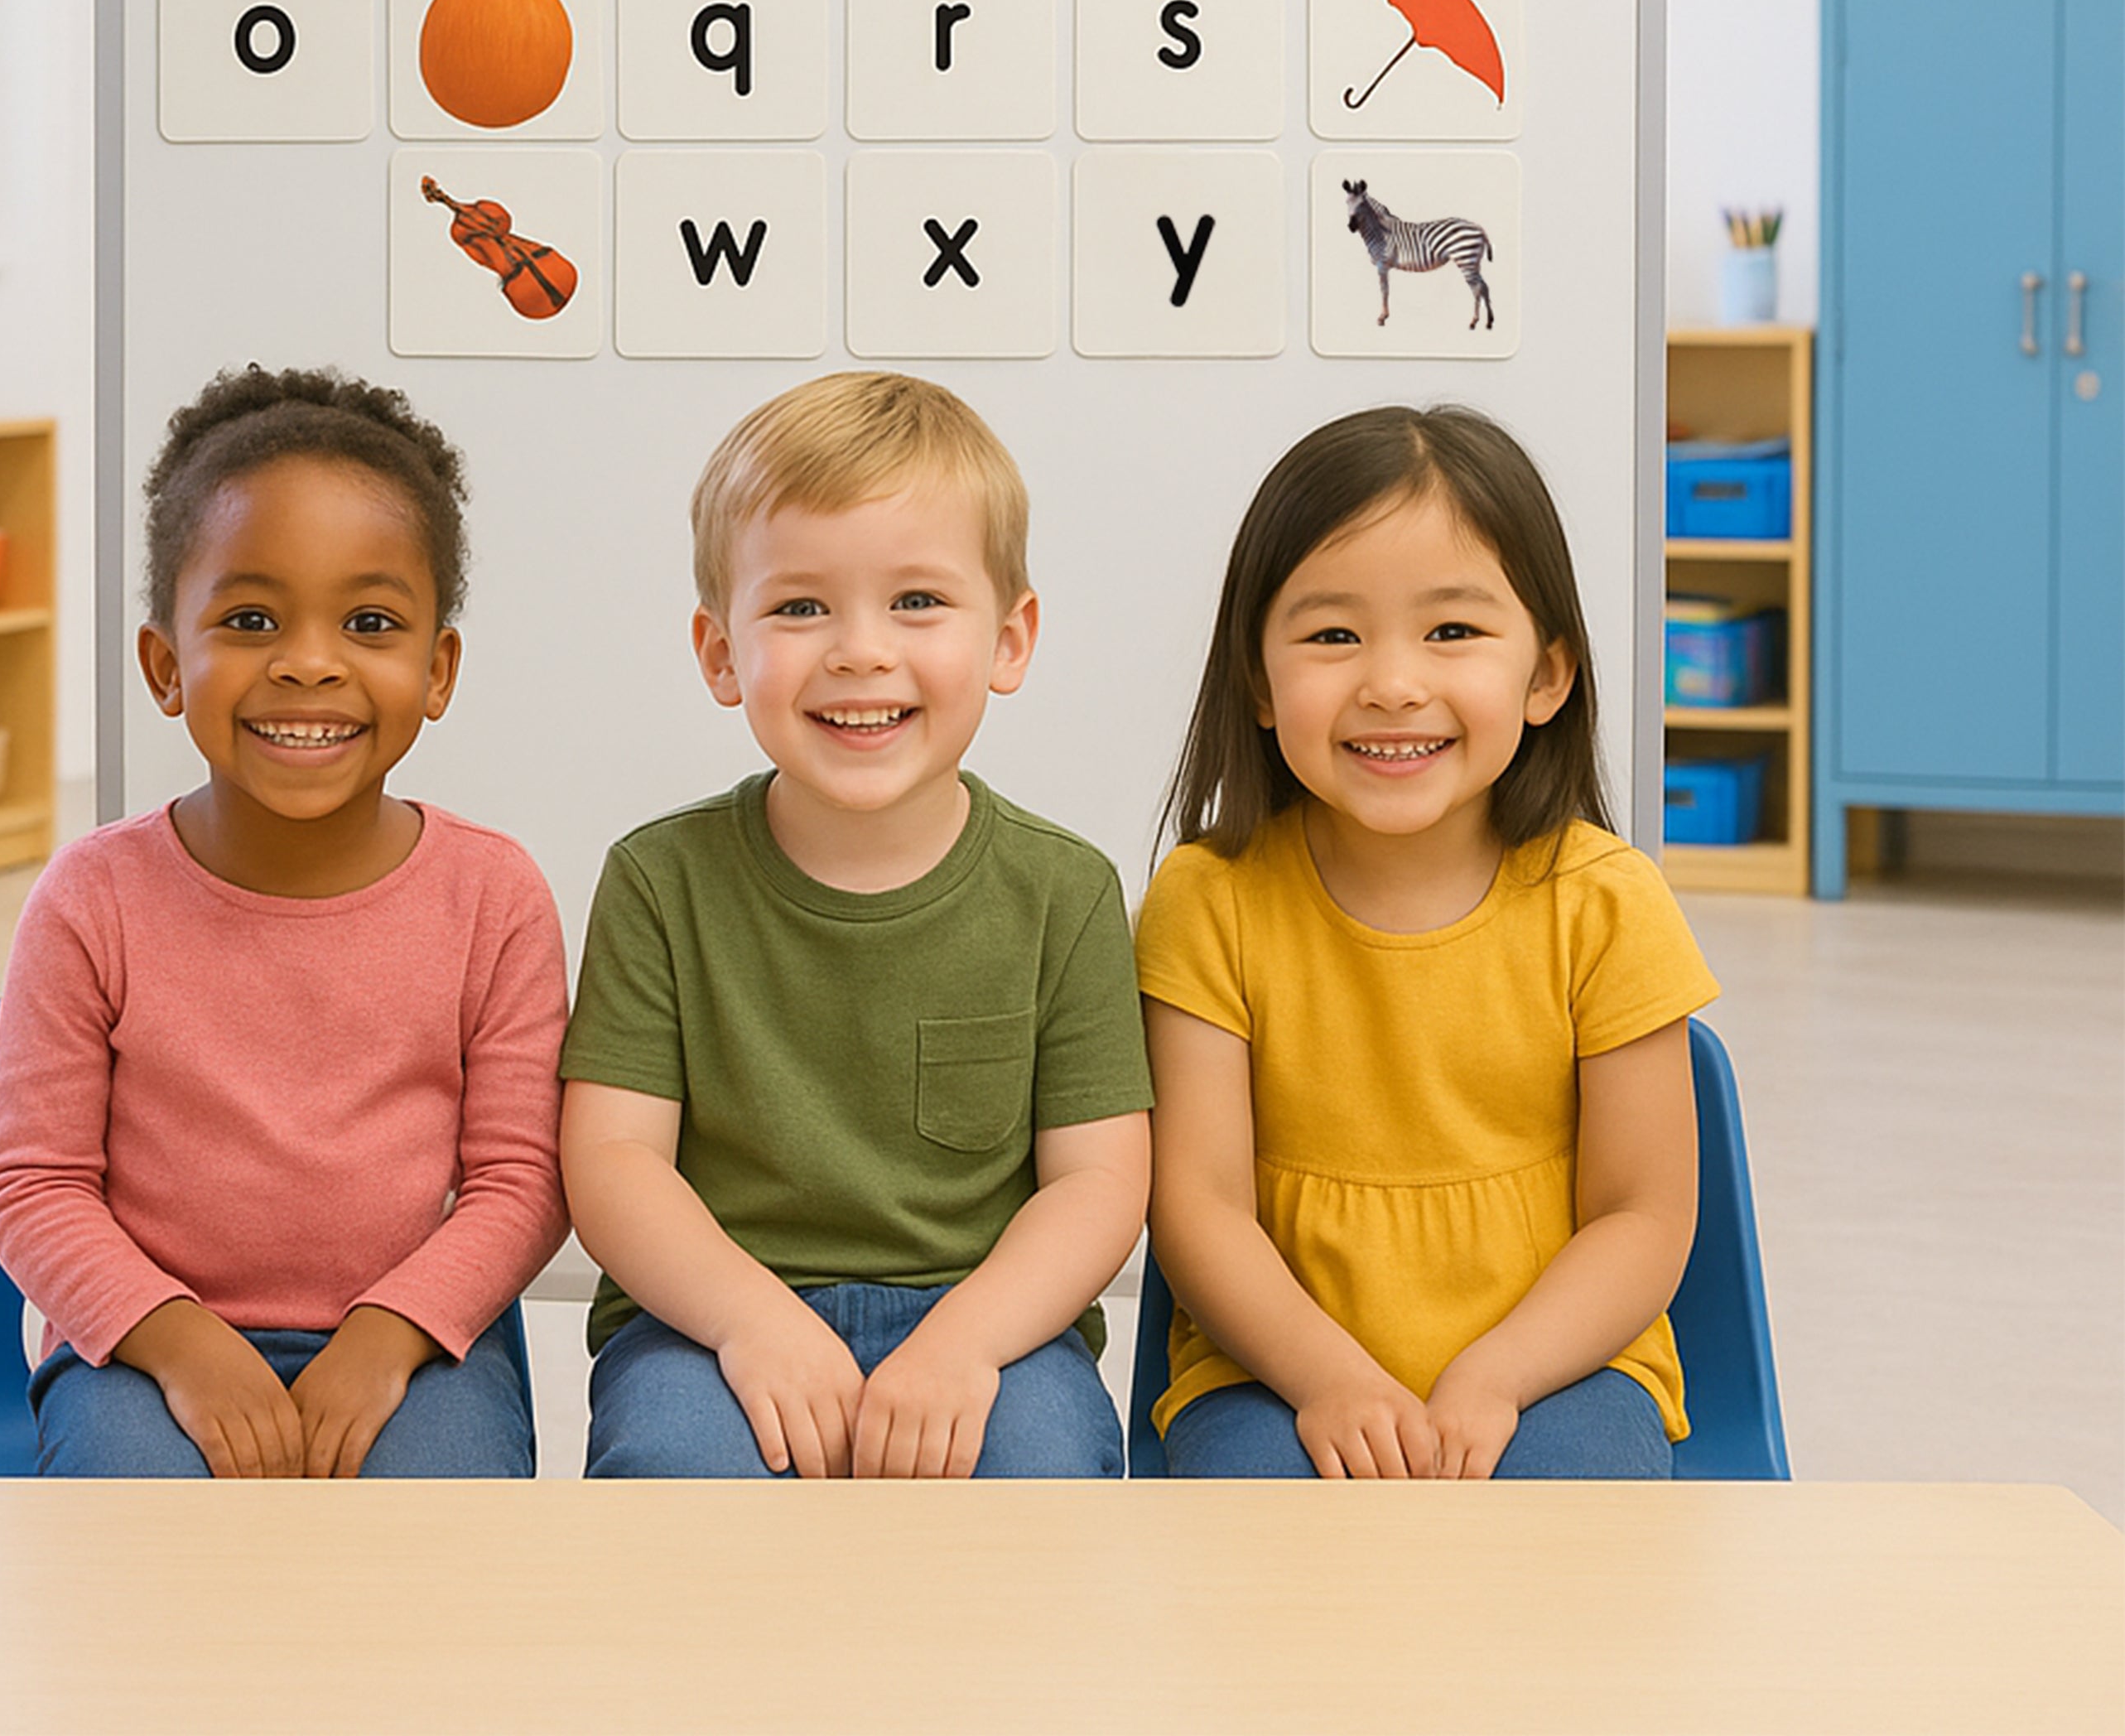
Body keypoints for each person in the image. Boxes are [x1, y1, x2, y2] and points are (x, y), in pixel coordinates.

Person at [0, 365, 569, 1478]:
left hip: (413, 1348)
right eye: (251, 619)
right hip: (142, 1351)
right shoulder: (90, 899)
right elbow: (31, 1183)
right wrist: (179, 1342)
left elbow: (522, 1180)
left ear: (436, 668)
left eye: (369, 621)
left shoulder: (494, 897)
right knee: (144, 1547)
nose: (308, 661)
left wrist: (390, 1335)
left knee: (448, 1560)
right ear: (166, 665)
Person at [559, 371, 1151, 1479]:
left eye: (917, 602)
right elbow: (611, 1161)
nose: (861, 651)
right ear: (721, 652)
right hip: (711, 1324)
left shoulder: (1063, 891)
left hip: (991, 1328)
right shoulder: (658, 880)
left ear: (1010, 640)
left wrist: (965, 1345)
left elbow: (1098, 1182)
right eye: (799, 607)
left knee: (1049, 1483)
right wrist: (751, 1322)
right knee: (674, 1479)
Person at [1135, 404, 1718, 1481]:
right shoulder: (1205, 901)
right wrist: (1325, 1377)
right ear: (1259, 683)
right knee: (1260, 1569)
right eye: (1332, 634)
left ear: (1548, 675)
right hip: (1271, 1374)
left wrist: (1499, 1374)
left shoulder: (1609, 904)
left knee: (1569, 1571)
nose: (1393, 682)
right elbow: (1198, 1208)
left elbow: (1642, 1217)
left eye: (1451, 632)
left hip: (1562, 1368)